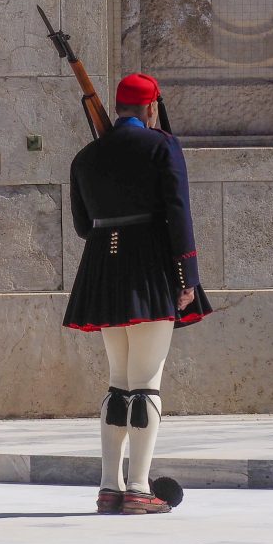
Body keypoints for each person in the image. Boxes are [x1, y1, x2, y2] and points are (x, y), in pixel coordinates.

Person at [64, 73, 212, 515]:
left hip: (104, 269)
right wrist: (187, 275)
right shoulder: (161, 146)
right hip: (148, 266)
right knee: (146, 382)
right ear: (151, 108)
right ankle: (138, 486)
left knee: (119, 381)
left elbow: (83, 225)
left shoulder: (86, 155)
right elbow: (178, 211)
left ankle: (109, 485)